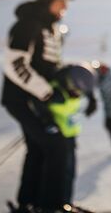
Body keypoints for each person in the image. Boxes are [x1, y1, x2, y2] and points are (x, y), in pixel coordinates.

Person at [1, 0, 96, 213]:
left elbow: (49, 66)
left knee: (40, 148)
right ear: (48, 0)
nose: (65, 6)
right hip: (25, 100)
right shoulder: (27, 25)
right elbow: (15, 64)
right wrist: (45, 92)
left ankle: (29, 203)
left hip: (38, 101)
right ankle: (52, 206)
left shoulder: (49, 26)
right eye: (61, 1)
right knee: (57, 146)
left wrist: (75, 85)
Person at [42, 63, 96, 212]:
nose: (78, 93)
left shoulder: (75, 86)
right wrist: (47, 121)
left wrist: (92, 98)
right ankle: (54, 204)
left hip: (70, 134)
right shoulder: (56, 92)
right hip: (58, 137)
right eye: (77, 89)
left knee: (69, 171)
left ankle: (66, 202)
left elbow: (86, 86)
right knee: (60, 172)